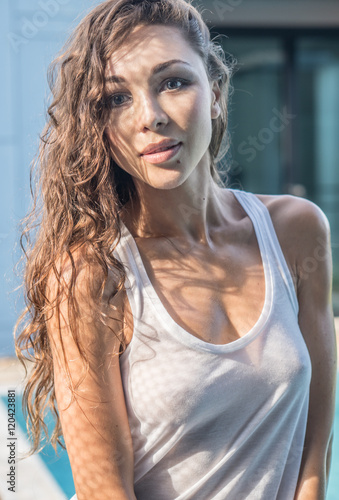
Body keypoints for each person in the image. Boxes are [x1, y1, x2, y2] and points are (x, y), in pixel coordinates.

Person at [14, 0, 337, 499]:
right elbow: (104, 491)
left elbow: (315, 446)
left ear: (216, 94)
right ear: (96, 125)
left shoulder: (296, 231)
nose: (151, 117)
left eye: (173, 82)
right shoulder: (92, 273)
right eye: (116, 99)